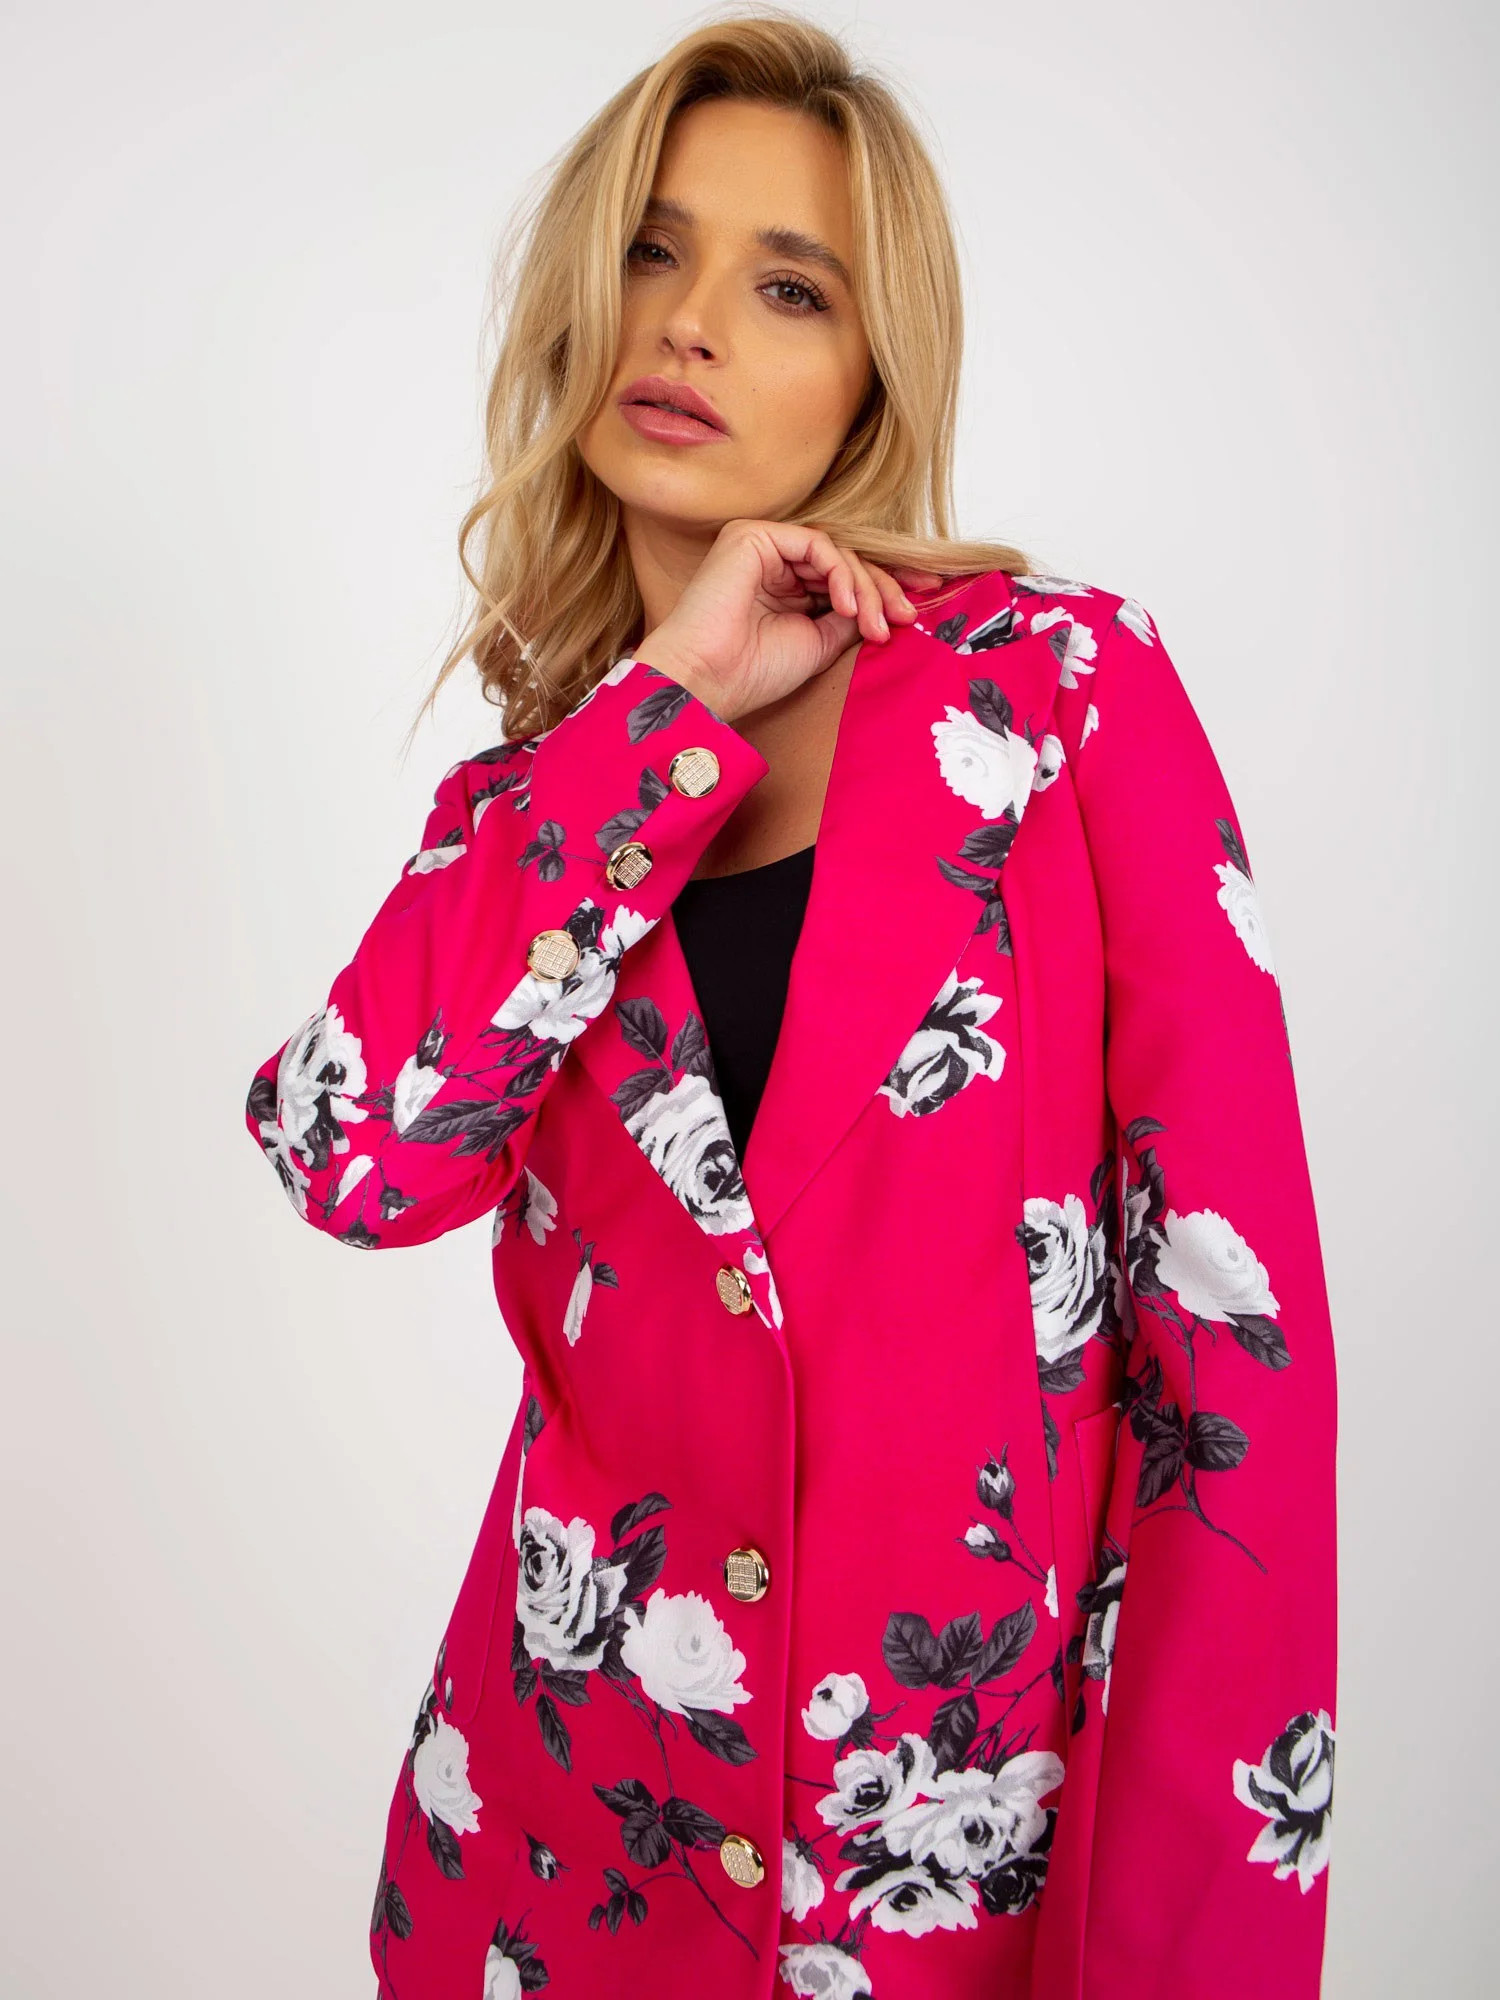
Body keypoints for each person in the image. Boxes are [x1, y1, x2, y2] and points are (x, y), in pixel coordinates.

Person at [244, 13, 1338, 1998]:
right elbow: (355, 1156)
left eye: (789, 286)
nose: (689, 324)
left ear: (871, 376)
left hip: (952, 1895)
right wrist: (661, 702)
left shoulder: (1058, 698)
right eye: (650, 253)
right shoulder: (530, 811)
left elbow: (1233, 1370)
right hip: (559, 1865)